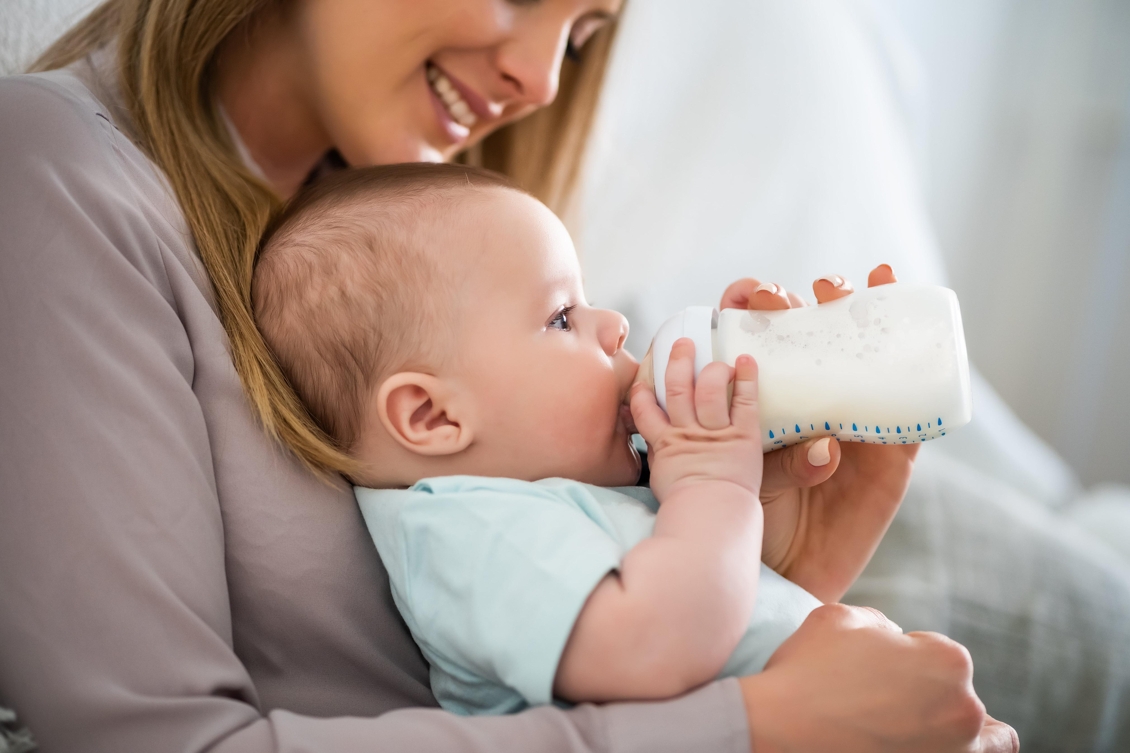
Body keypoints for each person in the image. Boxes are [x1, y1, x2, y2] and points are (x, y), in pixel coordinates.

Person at [0, 0, 1018, 750]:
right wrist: (757, 725)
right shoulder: (53, 171)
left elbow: (558, 641)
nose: (539, 79)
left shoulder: (425, 237)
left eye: (582, 31)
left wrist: (788, 562)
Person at [253, 163, 824, 715]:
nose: (616, 324)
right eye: (560, 317)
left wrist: (755, 415)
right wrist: (714, 484)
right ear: (433, 417)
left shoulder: (567, 484)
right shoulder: (468, 530)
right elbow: (652, 649)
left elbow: (731, 590)